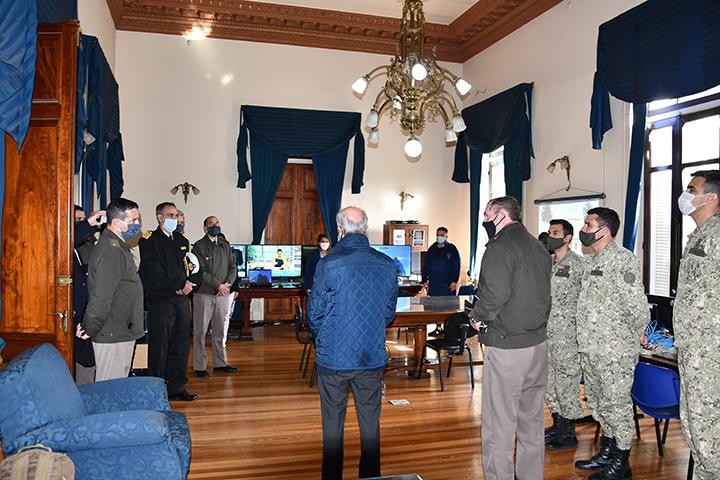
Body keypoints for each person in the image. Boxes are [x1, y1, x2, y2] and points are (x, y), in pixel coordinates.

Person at [308, 207, 398, 480]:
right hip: (370, 356)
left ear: (340, 230)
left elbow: (314, 315)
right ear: (365, 229)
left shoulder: (328, 263)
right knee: (370, 424)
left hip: (334, 358)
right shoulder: (386, 264)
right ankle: (370, 477)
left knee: (332, 425)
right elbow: (388, 314)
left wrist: (324, 335)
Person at [468, 196, 551, 480]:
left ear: (502, 214)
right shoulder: (537, 247)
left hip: (508, 347)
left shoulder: (500, 247)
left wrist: (476, 317)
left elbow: (493, 296)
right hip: (538, 345)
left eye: (488, 215)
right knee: (531, 422)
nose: (485, 221)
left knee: (498, 425)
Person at [574, 207, 649, 479]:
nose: (583, 228)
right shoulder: (591, 261)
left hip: (614, 351)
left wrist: (636, 337)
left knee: (617, 405)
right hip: (592, 348)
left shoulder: (623, 261)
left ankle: (622, 461)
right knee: (598, 402)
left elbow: (637, 308)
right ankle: (607, 451)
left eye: (588, 223)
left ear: (603, 230)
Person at [673, 170, 720, 480]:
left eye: (692, 189)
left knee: (708, 428)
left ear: (711, 197)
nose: (686, 194)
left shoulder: (717, 236)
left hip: (711, 351)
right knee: (694, 426)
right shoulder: (697, 237)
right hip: (692, 351)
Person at [139, 202, 202, 401]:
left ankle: (177, 387)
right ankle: (156, 391)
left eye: (176, 215)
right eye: (170, 215)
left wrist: (190, 284)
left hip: (181, 301)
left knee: (181, 345)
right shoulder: (149, 240)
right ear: (159, 217)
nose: (174, 219)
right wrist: (181, 283)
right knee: (159, 348)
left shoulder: (182, 240)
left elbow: (192, 267)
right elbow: (154, 271)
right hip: (161, 301)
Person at [77, 198, 144, 381]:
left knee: (118, 388)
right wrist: (89, 328)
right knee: (110, 390)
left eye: (138, 219)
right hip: (113, 332)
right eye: (132, 221)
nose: (137, 225)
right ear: (116, 222)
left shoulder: (118, 246)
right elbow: (101, 297)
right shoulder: (112, 250)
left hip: (120, 330)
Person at [543, 219, 585, 450]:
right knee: (550, 384)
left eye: (556, 232)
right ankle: (557, 424)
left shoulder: (579, 265)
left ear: (568, 238)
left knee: (566, 385)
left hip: (568, 336)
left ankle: (569, 433)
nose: (551, 236)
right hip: (547, 334)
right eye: (550, 232)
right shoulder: (546, 263)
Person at [191, 215, 238, 377]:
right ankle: (200, 366)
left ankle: (220, 363)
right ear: (205, 228)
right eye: (210, 224)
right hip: (204, 294)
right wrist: (218, 285)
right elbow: (201, 271)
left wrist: (226, 285)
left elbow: (233, 267)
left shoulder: (225, 245)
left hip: (223, 294)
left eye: (217, 223)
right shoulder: (198, 247)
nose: (214, 226)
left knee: (219, 332)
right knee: (200, 332)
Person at [73, 206, 105, 384]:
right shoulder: (63, 245)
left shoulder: (82, 248)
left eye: (83, 219)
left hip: (83, 311)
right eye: (78, 220)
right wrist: (89, 223)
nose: (83, 222)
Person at [422, 227, 461, 296]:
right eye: (438, 235)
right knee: (432, 305)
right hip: (434, 285)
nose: (439, 237)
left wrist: (455, 281)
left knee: (448, 306)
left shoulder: (452, 249)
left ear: (446, 237)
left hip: (448, 285)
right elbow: (426, 266)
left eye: (442, 235)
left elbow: (456, 266)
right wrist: (424, 281)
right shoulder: (431, 249)